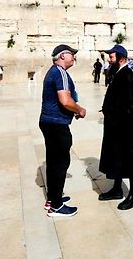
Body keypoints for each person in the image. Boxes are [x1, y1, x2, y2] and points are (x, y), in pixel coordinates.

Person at [39, 44, 87, 217]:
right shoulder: (60, 72)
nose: (74, 57)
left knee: (52, 161)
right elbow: (65, 100)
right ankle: (57, 207)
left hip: (48, 121)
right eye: (72, 54)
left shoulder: (53, 71)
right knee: (60, 162)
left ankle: (53, 198)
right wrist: (79, 109)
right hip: (56, 124)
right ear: (62, 56)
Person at [98, 44, 133, 210]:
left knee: (129, 157)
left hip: (125, 128)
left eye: (112, 57)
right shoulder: (117, 73)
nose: (109, 59)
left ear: (121, 58)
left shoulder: (128, 75)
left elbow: (131, 104)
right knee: (116, 155)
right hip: (115, 127)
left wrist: (119, 122)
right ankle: (117, 189)